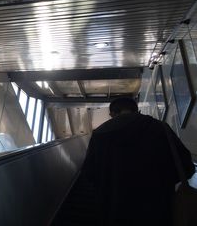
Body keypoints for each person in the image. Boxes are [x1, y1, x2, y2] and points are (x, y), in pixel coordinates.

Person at [81, 97, 195, 226]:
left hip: (115, 212)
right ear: (136, 110)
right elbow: (187, 167)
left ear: (112, 114)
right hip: (158, 211)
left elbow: (89, 174)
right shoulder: (160, 127)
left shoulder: (99, 135)